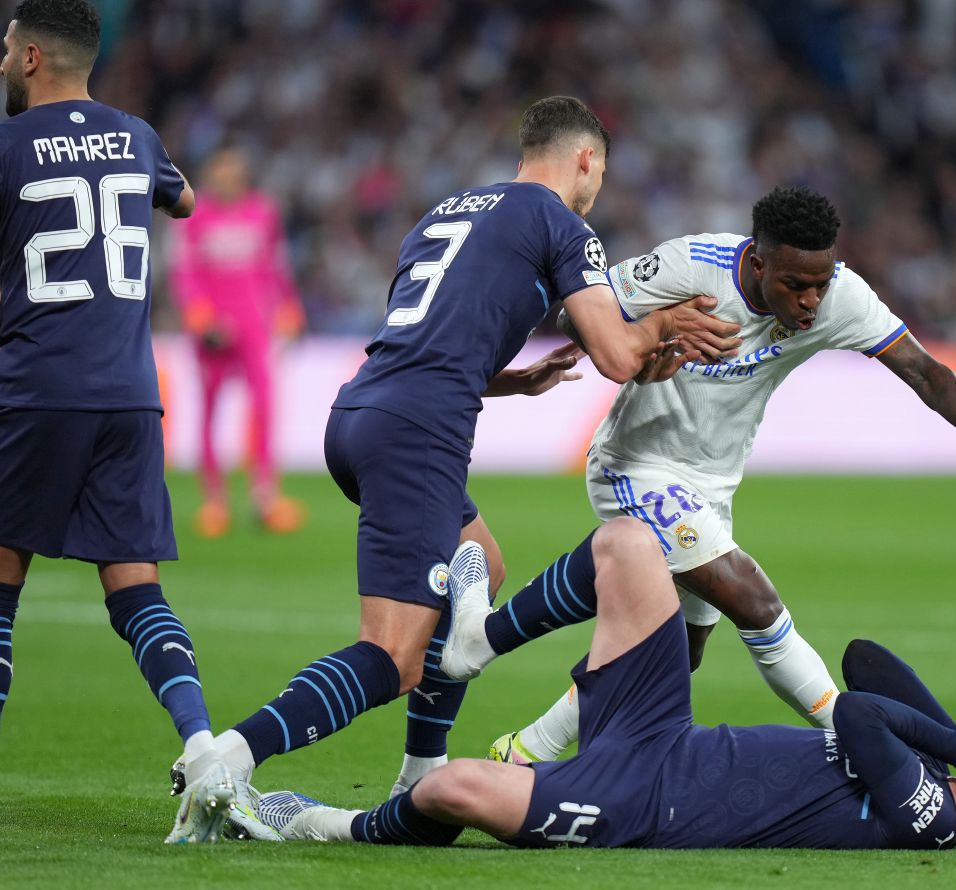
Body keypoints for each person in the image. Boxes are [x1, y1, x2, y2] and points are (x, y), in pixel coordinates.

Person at [192, 96, 742, 839]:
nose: (597, 189)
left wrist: (509, 380)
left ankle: (422, 772)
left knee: (480, 557)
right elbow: (617, 356)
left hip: (361, 413)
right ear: (585, 159)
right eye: (600, 173)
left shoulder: (445, 213)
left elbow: (423, 336)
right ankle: (230, 758)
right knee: (392, 656)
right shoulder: (560, 223)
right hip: (416, 433)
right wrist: (664, 323)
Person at [489, 185, 956, 766]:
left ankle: (527, 748)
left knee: (679, 653)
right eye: (795, 285)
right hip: (635, 468)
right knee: (755, 600)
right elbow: (573, 314)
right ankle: (875, 749)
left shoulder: (840, 296)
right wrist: (655, 331)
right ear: (757, 260)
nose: (811, 303)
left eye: (820, 285)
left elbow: (923, 371)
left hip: (711, 487)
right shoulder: (691, 266)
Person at [256, 519, 956, 852]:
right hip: (668, 736)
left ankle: (336, 826)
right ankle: (479, 640)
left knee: (451, 786)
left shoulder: (931, 816)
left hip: (644, 803)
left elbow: (864, 708)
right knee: (630, 544)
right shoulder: (943, 768)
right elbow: (865, 657)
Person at [0, 0, 234, 844]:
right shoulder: (136, 135)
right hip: (129, 395)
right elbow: (185, 200)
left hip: (30, 392)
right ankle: (206, 751)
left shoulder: (7, 148)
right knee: (136, 592)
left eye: (3, 50)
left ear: (29, 57)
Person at [168, 145, 307, 537]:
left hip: (254, 327)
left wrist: (289, 308)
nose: (227, 177)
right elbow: (185, 273)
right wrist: (200, 317)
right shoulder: (196, 216)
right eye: (220, 171)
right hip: (212, 330)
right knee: (211, 411)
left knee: (264, 406)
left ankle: (266, 497)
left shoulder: (264, 212)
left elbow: (276, 268)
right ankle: (215, 502)